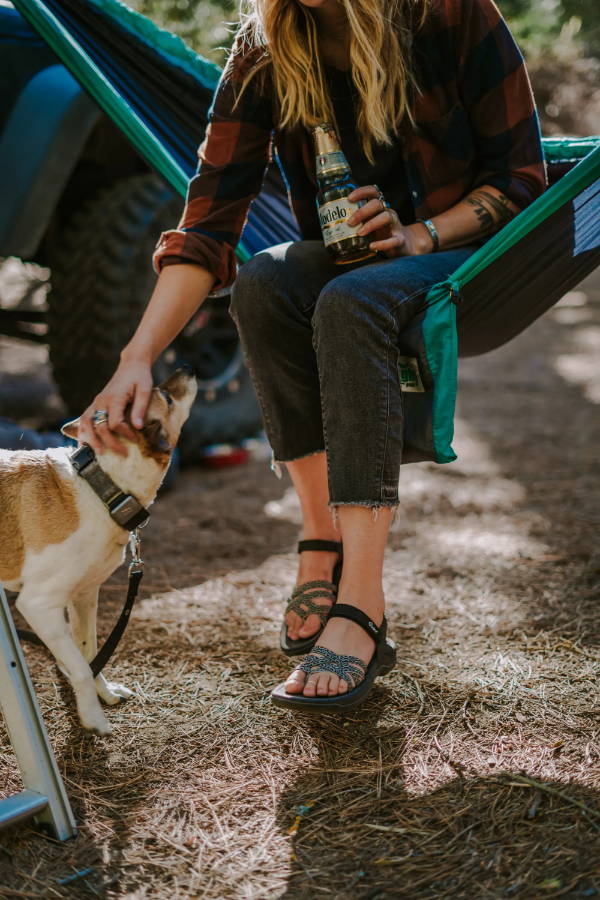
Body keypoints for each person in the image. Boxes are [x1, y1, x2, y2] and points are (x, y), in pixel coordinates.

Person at [77, 0, 546, 711]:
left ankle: (362, 604)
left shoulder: (448, 13)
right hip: (353, 263)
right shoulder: (266, 45)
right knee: (264, 281)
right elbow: (209, 219)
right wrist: (136, 356)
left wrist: (419, 234)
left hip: (465, 259)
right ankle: (319, 537)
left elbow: (520, 182)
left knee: (350, 301)